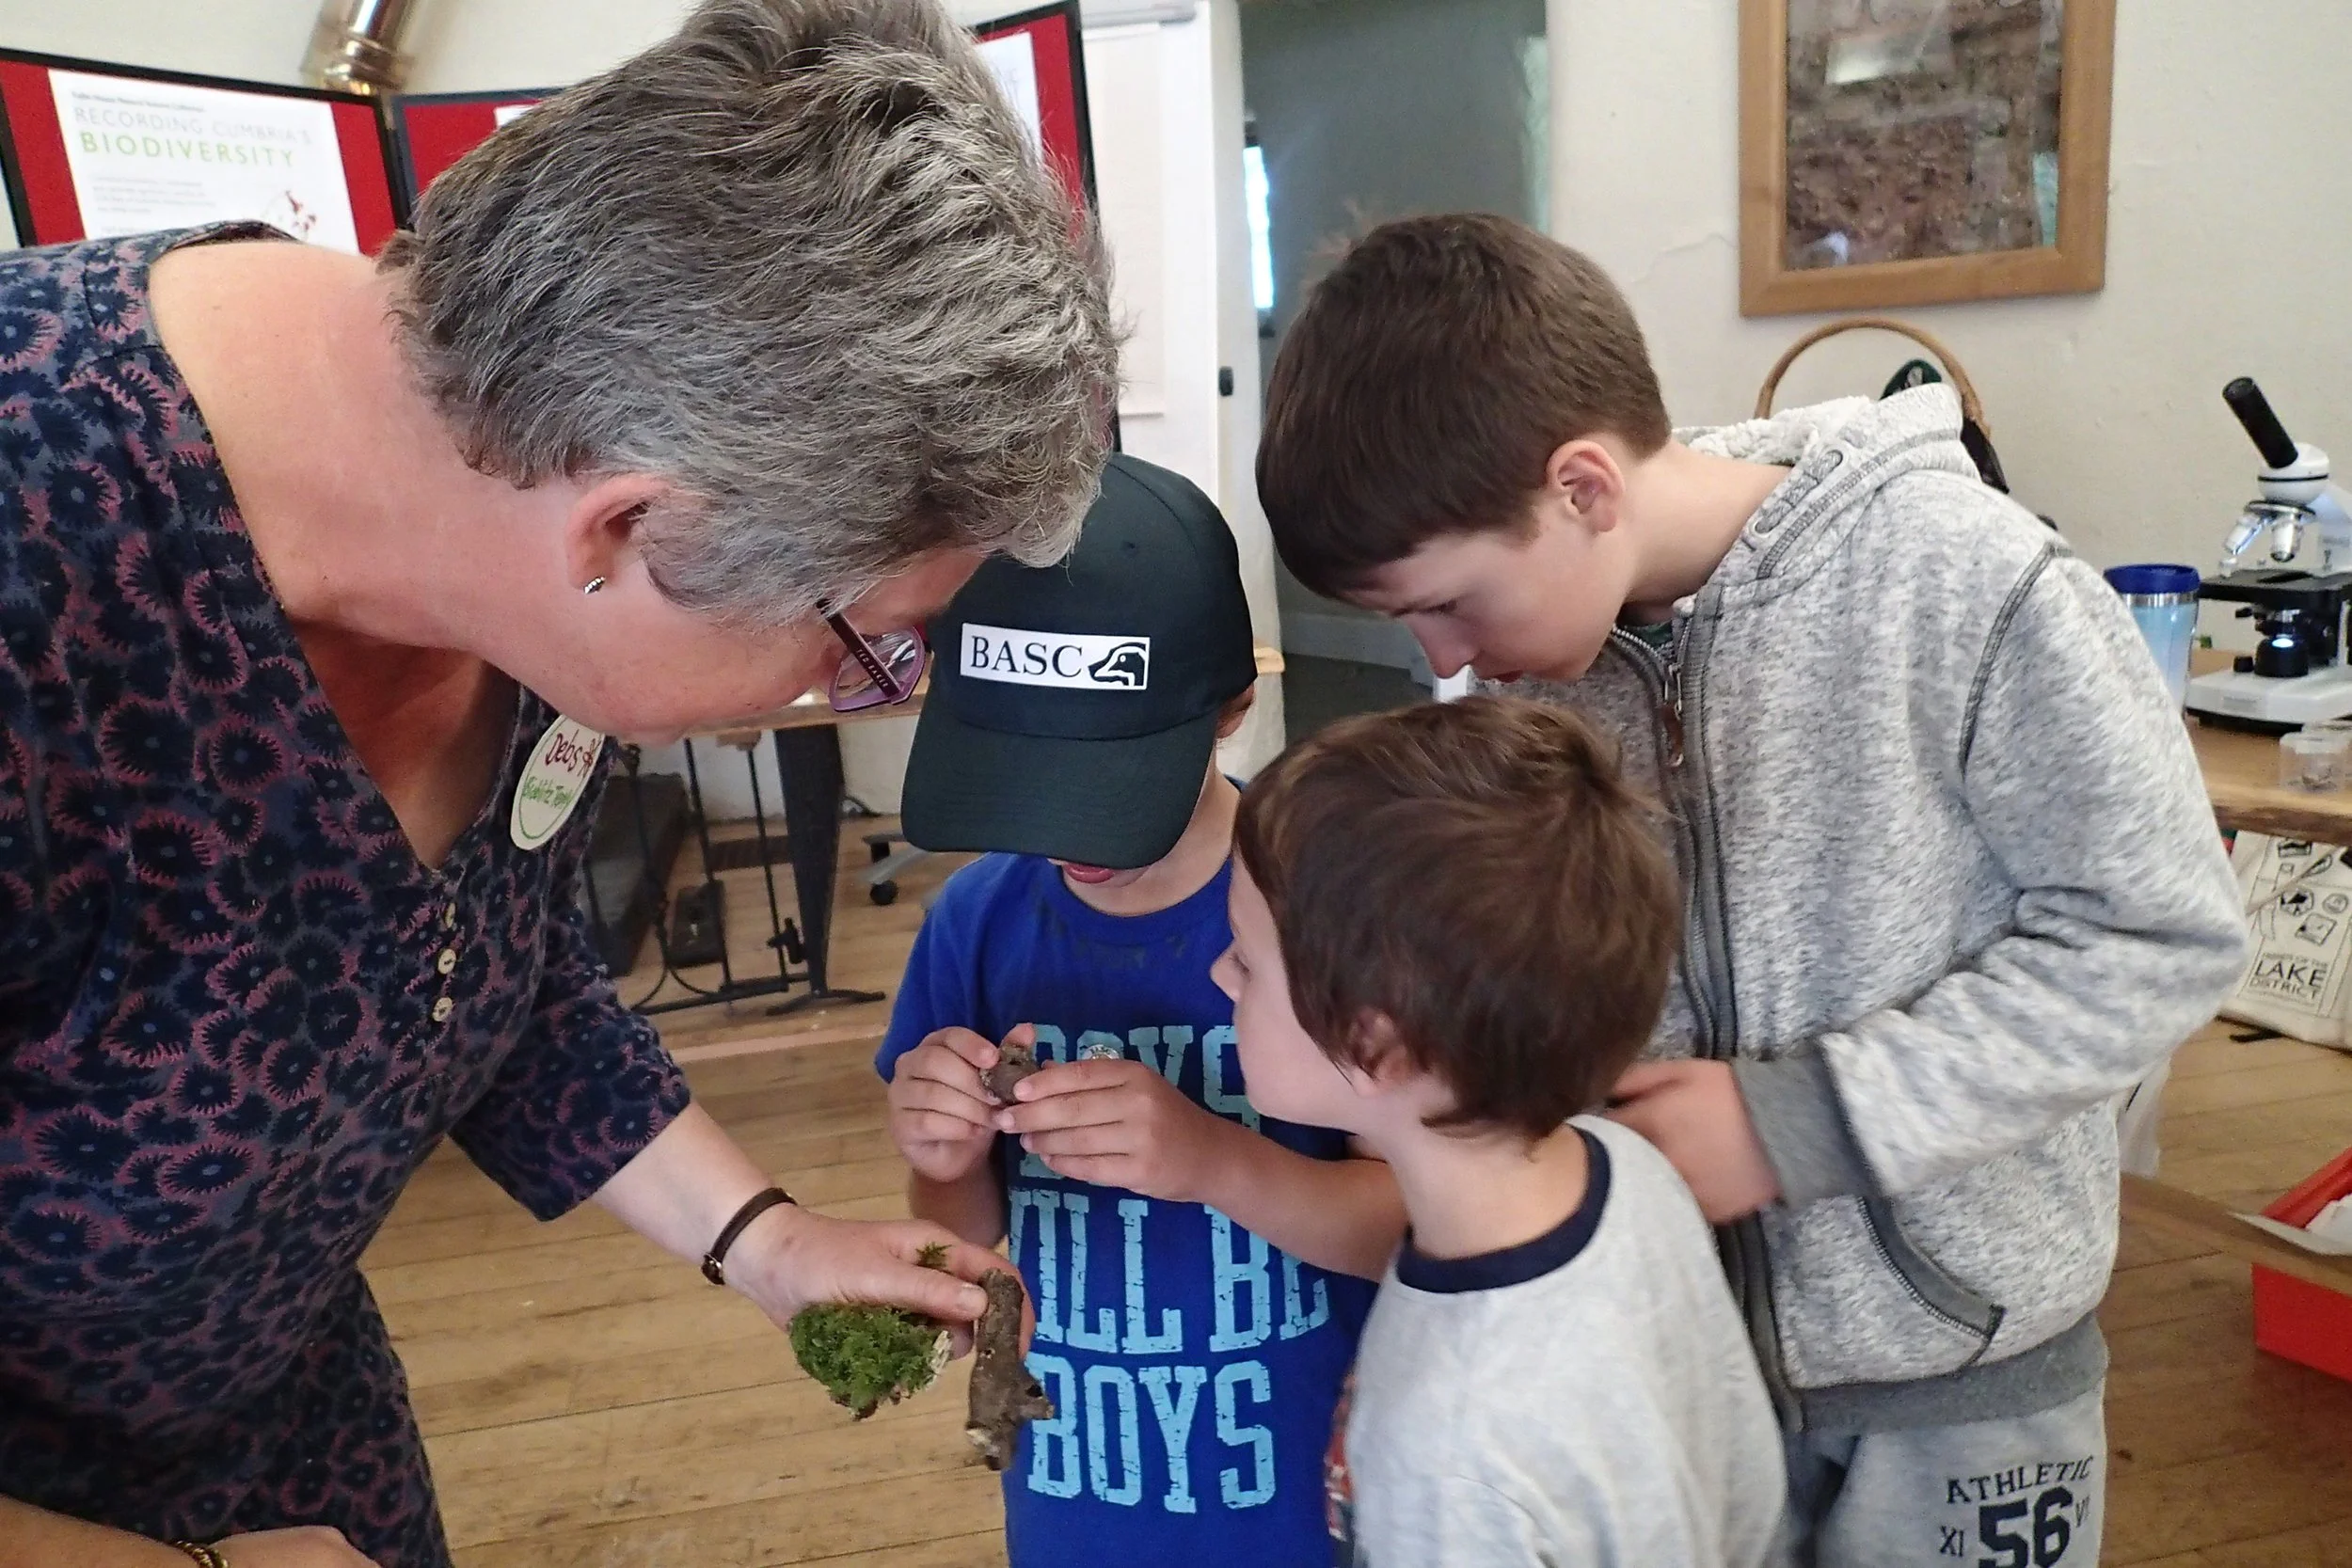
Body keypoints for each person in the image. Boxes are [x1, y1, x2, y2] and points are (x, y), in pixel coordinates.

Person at [0, 2, 1115, 1564]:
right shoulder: (41, 548)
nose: (869, 691)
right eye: (869, 647)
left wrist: (766, 1238)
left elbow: (485, 970)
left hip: (288, 1425)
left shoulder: (503, 515)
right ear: (625, 532)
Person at [1253, 214, 2247, 1567]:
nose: (1440, 654)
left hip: (1960, 1386)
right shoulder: (1535, 671)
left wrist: (1805, 1119)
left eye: (1450, 603)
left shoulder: (1966, 579)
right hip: (1676, 1367)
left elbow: (2163, 930)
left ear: (1584, 488)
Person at [878, 454, 1400, 1567]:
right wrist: (941, 1153)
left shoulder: (1320, 906)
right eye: (1025, 783)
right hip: (1075, 1494)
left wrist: (1213, 1159)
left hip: (1308, 1497)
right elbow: (958, 1239)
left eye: (1106, 790)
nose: (1069, 840)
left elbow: (1416, 1219)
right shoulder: (974, 923)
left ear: (1233, 711)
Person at [1217, 695, 1788, 1566]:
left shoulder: (1452, 1458)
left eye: (1248, 960)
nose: (1221, 972)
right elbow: (1745, 1483)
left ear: (1373, 1041)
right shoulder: (1628, 1167)